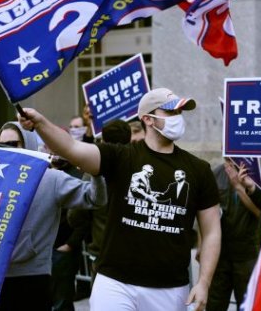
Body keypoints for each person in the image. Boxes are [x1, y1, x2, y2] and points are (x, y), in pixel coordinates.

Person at [18, 87, 221, 311]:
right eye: (170, 112)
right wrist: (40, 122)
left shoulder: (199, 170)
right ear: (148, 119)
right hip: (115, 284)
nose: (178, 119)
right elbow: (71, 147)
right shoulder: (121, 156)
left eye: (179, 113)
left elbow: (211, 230)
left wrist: (204, 283)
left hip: (171, 288)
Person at [0, 122, 107, 311]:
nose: (8, 149)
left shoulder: (51, 179)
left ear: (28, 144)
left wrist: (94, 171)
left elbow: (95, 199)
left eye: (14, 144)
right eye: (2, 145)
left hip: (34, 276)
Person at [68, 119, 132, 286]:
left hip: (104, 255)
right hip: (134, 255)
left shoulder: (95, 172)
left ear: (103, 140)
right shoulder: (141, 168)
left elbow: (75, 216)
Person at [206, 159, 261, 311]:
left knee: (247, 304)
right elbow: (205, 212)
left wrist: (238, 185)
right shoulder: (215, 173)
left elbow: (259, 211)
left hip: (248, 254)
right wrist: (201, 246)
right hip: (220, 254)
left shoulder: (258, 173)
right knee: (215, 304)